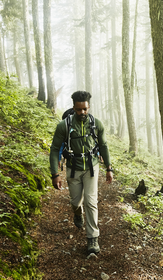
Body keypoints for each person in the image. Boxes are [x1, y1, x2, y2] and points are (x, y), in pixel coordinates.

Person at [49, 90, 114, 254]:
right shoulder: (64, 126)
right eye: (79, 109)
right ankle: (77, 213)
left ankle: (93, 238)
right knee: (75, 201)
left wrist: (109, 168)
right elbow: (54, 149)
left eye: (85, 109)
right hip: (72, 169)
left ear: (89, 107)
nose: (82, 113)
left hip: (92, 168)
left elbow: (104, 146)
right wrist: (55, 174)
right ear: (74, 107)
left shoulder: (96, 124)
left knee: (91, 202)